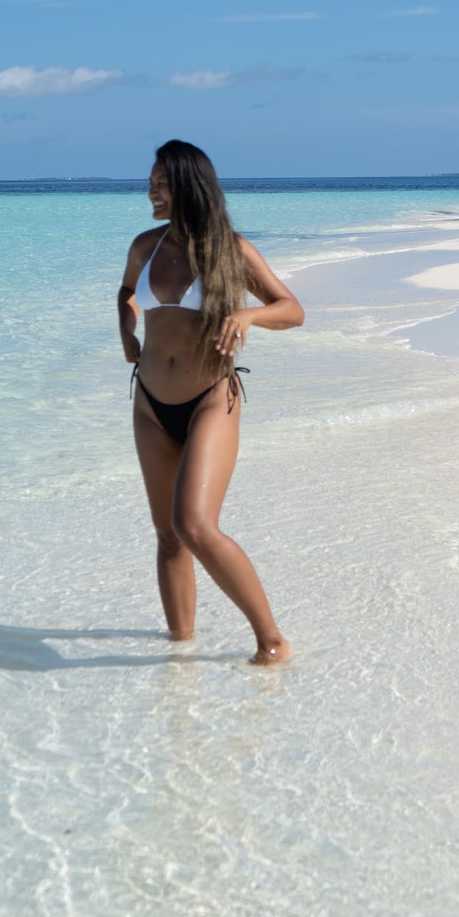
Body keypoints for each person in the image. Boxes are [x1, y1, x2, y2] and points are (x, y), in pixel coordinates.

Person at [118, 139, 304, 665]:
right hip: (150, 404)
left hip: (209, 399)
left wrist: (248, 316)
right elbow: (126, 292)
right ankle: (179, 657)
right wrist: (125, 332)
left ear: (188, 186)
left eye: (161, 183)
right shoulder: (144, 246)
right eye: (150, 182)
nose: (150, 191)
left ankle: (271, 639)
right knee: (167, 536)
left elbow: (292, 309)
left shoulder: (231, 250)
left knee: (194, 525)